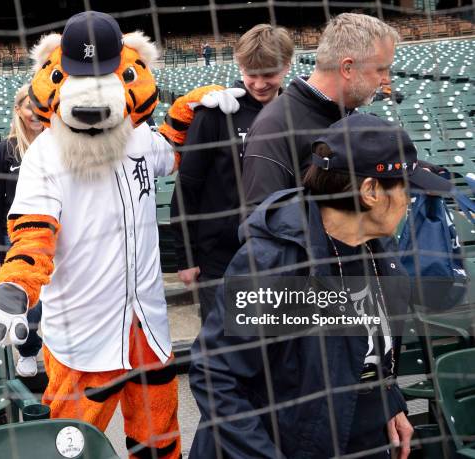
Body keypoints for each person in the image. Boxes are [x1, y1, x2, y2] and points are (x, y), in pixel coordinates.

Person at [189, 114, 453, 458]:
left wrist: (388, 402)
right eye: (405, 187)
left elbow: (367, 348)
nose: (409, 200)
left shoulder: (376, 247)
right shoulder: (276, 262)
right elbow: (215, 376)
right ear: (370, 191)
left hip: (358, 436)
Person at [171, 24, 293, 322]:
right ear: (239, 66)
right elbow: (188, 185)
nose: (260, 83)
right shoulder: (216, 112)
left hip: (282, 250)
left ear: (287, 66)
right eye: (252, 74)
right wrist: (187, 257)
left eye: (269, 74)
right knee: (225, 345)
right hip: (221, 255)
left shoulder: (296, 113)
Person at [242, 13, 399, 209]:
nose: (386, 80)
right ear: (348, 68)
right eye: (381, 69)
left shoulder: (351, 117)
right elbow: (260, 224)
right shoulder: (274, 127)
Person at [0, 82, 44, 378]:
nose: (34, 113)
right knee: (28, 300)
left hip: (58, 233)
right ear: (18, 110)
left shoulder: (59, 145)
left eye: (38, 105)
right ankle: (29, 350)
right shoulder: (5, 150)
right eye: (28, 106)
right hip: (18, 236)